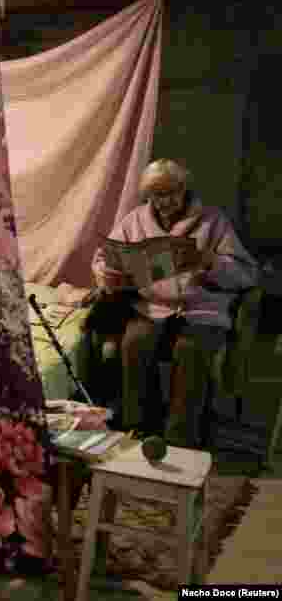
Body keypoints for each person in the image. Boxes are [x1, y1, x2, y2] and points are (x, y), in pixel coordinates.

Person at [91, 159, 259, 447]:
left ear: (184, 190)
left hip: (201, 310)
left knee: (189, 351)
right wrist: (110, 273)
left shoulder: (213, 221)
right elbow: (103, 258)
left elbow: (247, 273)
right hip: (151, 307)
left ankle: (181, 439)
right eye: (156, 195)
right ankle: (139, 429)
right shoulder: (135, 220)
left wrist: (212, 262)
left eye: (171, 193)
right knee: (135, 343)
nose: (164, 201)